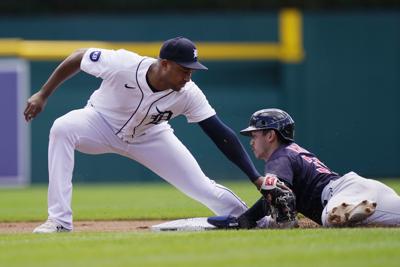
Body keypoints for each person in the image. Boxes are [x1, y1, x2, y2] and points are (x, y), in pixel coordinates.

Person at [24, 36, 265, 233]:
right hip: (99, 123)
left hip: (150, 137)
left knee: (201, 187)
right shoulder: (123, 64)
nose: (188, 76)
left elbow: (220, 134)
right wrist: (43, 94)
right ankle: (59, 221)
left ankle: (258, 220)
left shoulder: (189, 92)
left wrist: (256, 178)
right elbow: (79, 56)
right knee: (62, 128)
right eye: (184, 69)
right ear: (165, 63)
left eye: (192, 70)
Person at [208, 108, 400, 228]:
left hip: (338, 195)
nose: (251, 142)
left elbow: (276, 191)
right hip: (365, 187)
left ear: (270, 136)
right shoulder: (294, 151)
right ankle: (352, 209)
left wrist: (247, 218)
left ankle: (347, 211)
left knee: (330, 219)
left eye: (254, 135)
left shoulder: (279, 157)